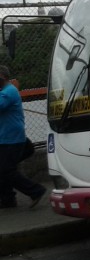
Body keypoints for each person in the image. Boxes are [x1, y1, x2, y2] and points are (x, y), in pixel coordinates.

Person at [0, 66, 46, 209]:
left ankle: (35, 191)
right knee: (3, 170)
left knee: (6, 170)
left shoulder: (9, 92)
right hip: (5, 138)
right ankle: (7, 199)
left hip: (11, 139)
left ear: (2, 77)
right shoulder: (4, 92)